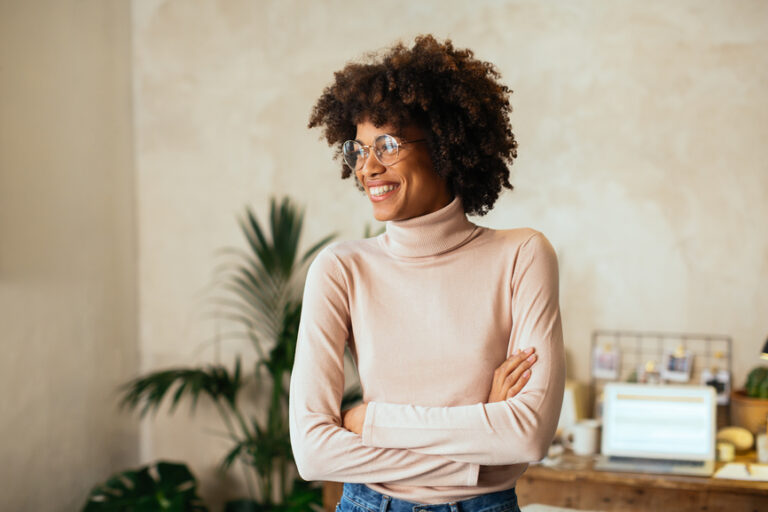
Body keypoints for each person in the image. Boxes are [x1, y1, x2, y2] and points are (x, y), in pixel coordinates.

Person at [288, 34, 566, 512]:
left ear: (443, 146)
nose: (367, 167)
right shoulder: (340, 270)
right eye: (358, 150)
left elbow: (526, 436)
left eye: (388, 145)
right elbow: (313, 453)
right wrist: (479, 441)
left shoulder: (522, 255)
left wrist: (367, 422)